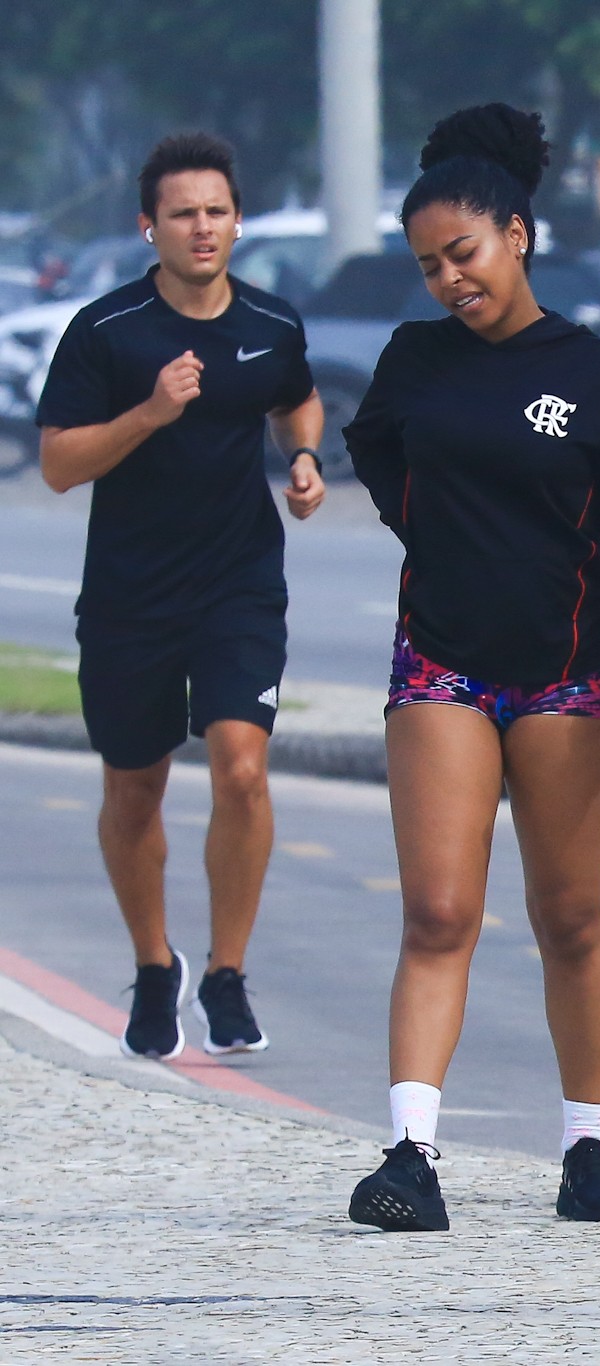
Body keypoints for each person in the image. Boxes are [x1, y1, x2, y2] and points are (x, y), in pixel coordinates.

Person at [342, 105, 600, 1232]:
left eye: (463, 252)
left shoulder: (598, 374)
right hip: (442, 665)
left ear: (518, 234)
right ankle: (410, 1152)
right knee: (441, 909)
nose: (449, 279)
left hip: (570, 676)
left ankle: (586, 1150)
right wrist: (446, 541)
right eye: (428, 265)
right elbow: (378, 456)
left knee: (569, 916)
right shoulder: (414, 362)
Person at [37, 132, 326, 1061]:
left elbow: (296, 397)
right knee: (136, 787)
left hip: (239, 583)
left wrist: (307, 458)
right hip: (130, 596)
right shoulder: (106, 332)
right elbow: (57, 465)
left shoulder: (274, 324)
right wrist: (152, 412)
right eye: (181, 214)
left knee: (241, 765)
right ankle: (153, 964)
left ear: (237, 221)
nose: (201, 228)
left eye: (215, 211)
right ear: (147, 228)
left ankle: (227, 974)